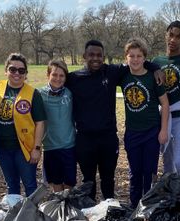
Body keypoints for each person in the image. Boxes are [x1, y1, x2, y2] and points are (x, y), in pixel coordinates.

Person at [67, 40, 162, 200]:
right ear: (84, 56)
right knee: (88, 180)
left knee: (108, 178)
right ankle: (90, 212)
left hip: (108, 137)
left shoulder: (111, 72)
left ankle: (109, 209)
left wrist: (156, 68)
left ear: (104, 57)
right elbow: (56, 81)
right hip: (84, 138)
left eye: (99, 55)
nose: (95, 58)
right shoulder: (74, 78)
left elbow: (136, 62)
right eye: (91, 55)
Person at [121, 38, 169, 207]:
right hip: (132, 131)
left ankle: (148, 205)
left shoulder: (153, 77)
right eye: (131, 56)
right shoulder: (123, 76)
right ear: (126, 57)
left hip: (151, 131)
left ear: (144, 58)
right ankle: (134, 205)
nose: (135, 60)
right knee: (135, 172)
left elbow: (165, 104)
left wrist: (163, 130)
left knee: (149, 171)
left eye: (139, 56)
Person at [153, 21, 180, 197]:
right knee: (167, 160)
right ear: (166, 35)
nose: (173, 39)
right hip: (163, 116)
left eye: (178, 36)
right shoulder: (157, 61)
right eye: (171, 34)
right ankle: (169, 196)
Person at [0, 53, 46, 197]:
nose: (17, 73)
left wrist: (37, 148)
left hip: (24, 148)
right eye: (12, 69)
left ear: (26, 73)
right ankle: (16, 216)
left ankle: (32, 217)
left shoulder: (33, 93)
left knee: (30, 185)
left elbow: (40, 123)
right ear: (6, 71)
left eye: (21, 71)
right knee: (12, 185)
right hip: (2, 147)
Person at [39, 60, 76, 192]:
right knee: (56, 182)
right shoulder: (39, 94)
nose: (58, 78)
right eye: (54, 75)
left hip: (69, 145)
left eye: (61, 76)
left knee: (70, 182)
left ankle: (67, 208)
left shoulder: (70, 93)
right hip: (50, 146)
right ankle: (58, 208)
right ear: (48, 75)